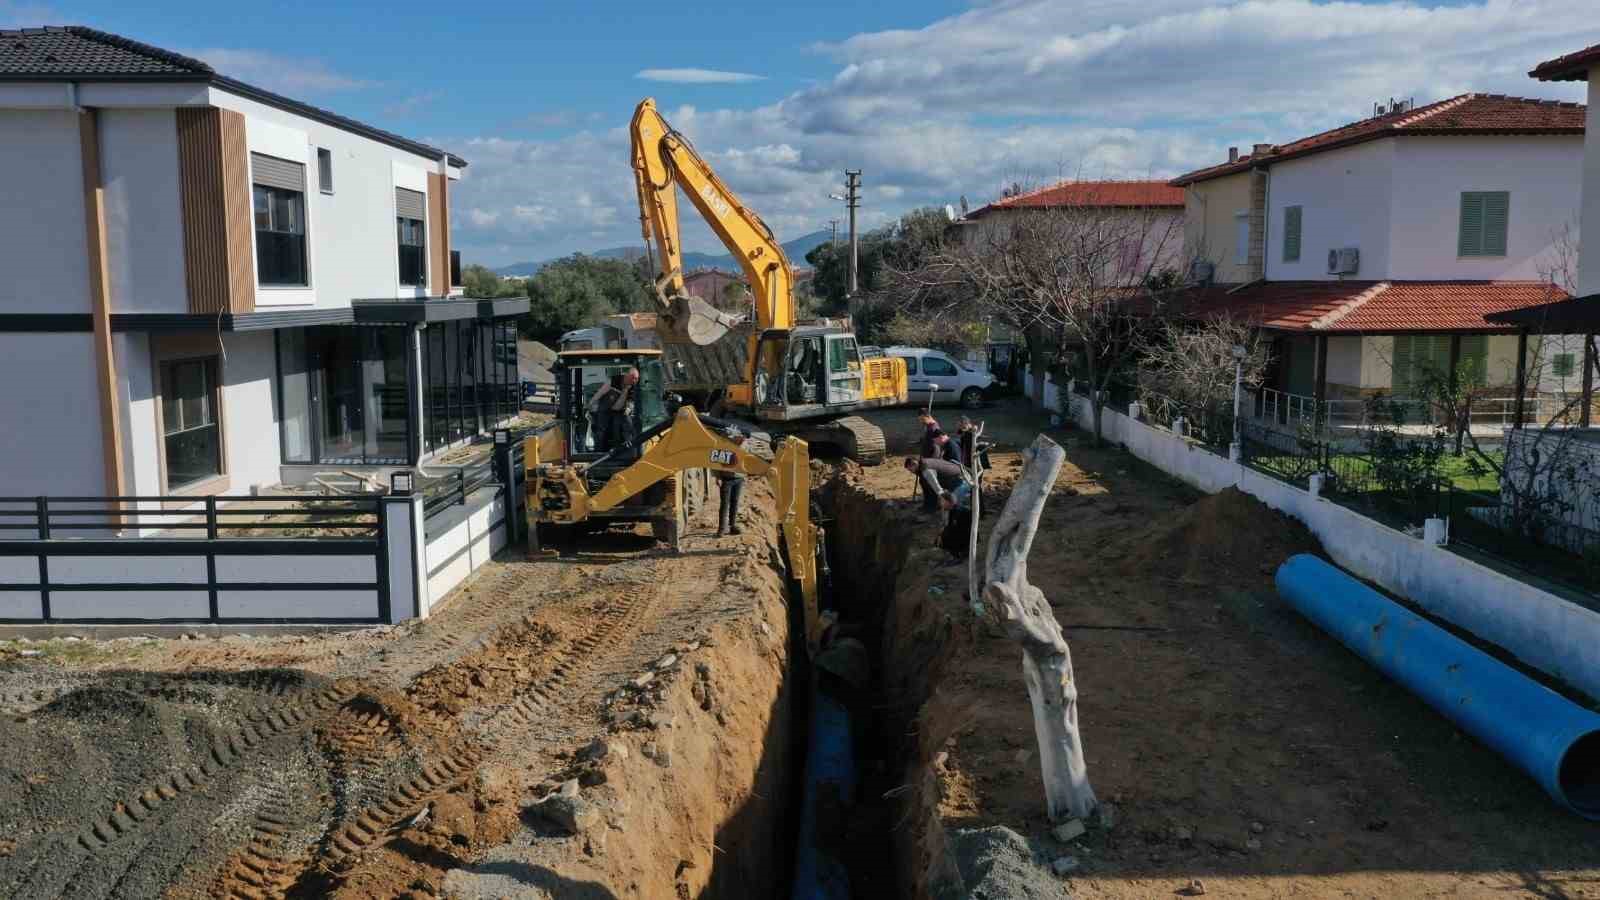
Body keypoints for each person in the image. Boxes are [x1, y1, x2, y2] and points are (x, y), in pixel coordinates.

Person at [589, 367, 639, 451]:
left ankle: (623, 450)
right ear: (626, 376)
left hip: (620, 411)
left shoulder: (634, 387)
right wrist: (591, 403)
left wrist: (629, 408)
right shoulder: (614, 380)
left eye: (636, 379)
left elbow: (631, 402)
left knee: (623, 428)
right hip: (605, 409)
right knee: (600, 431)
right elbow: (600, 392)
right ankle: (598, 452)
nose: (634, 381)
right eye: (632, 378)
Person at [715, 427, 748, 536]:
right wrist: (717, 477)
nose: (740, 440)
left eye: (741, 439)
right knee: (725, 504)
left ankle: (732, 526)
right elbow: (715, 463)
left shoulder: (744, 445)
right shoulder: (723, 446)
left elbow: (746, 460)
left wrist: (745, 475)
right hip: (726, 478)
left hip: (739, 478)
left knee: (735, 502)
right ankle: (721, 529)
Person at [939, 480, 974, 562]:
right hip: (962, 533)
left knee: (946, 536)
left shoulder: (958, 511)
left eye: (942, 501)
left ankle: (958, 555)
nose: (940, 504)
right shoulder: (952, 509)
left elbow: (957, 528)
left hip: (965, 536)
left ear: (948, 502)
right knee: (943, 535)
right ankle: (956, 553)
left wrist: (943, 534)